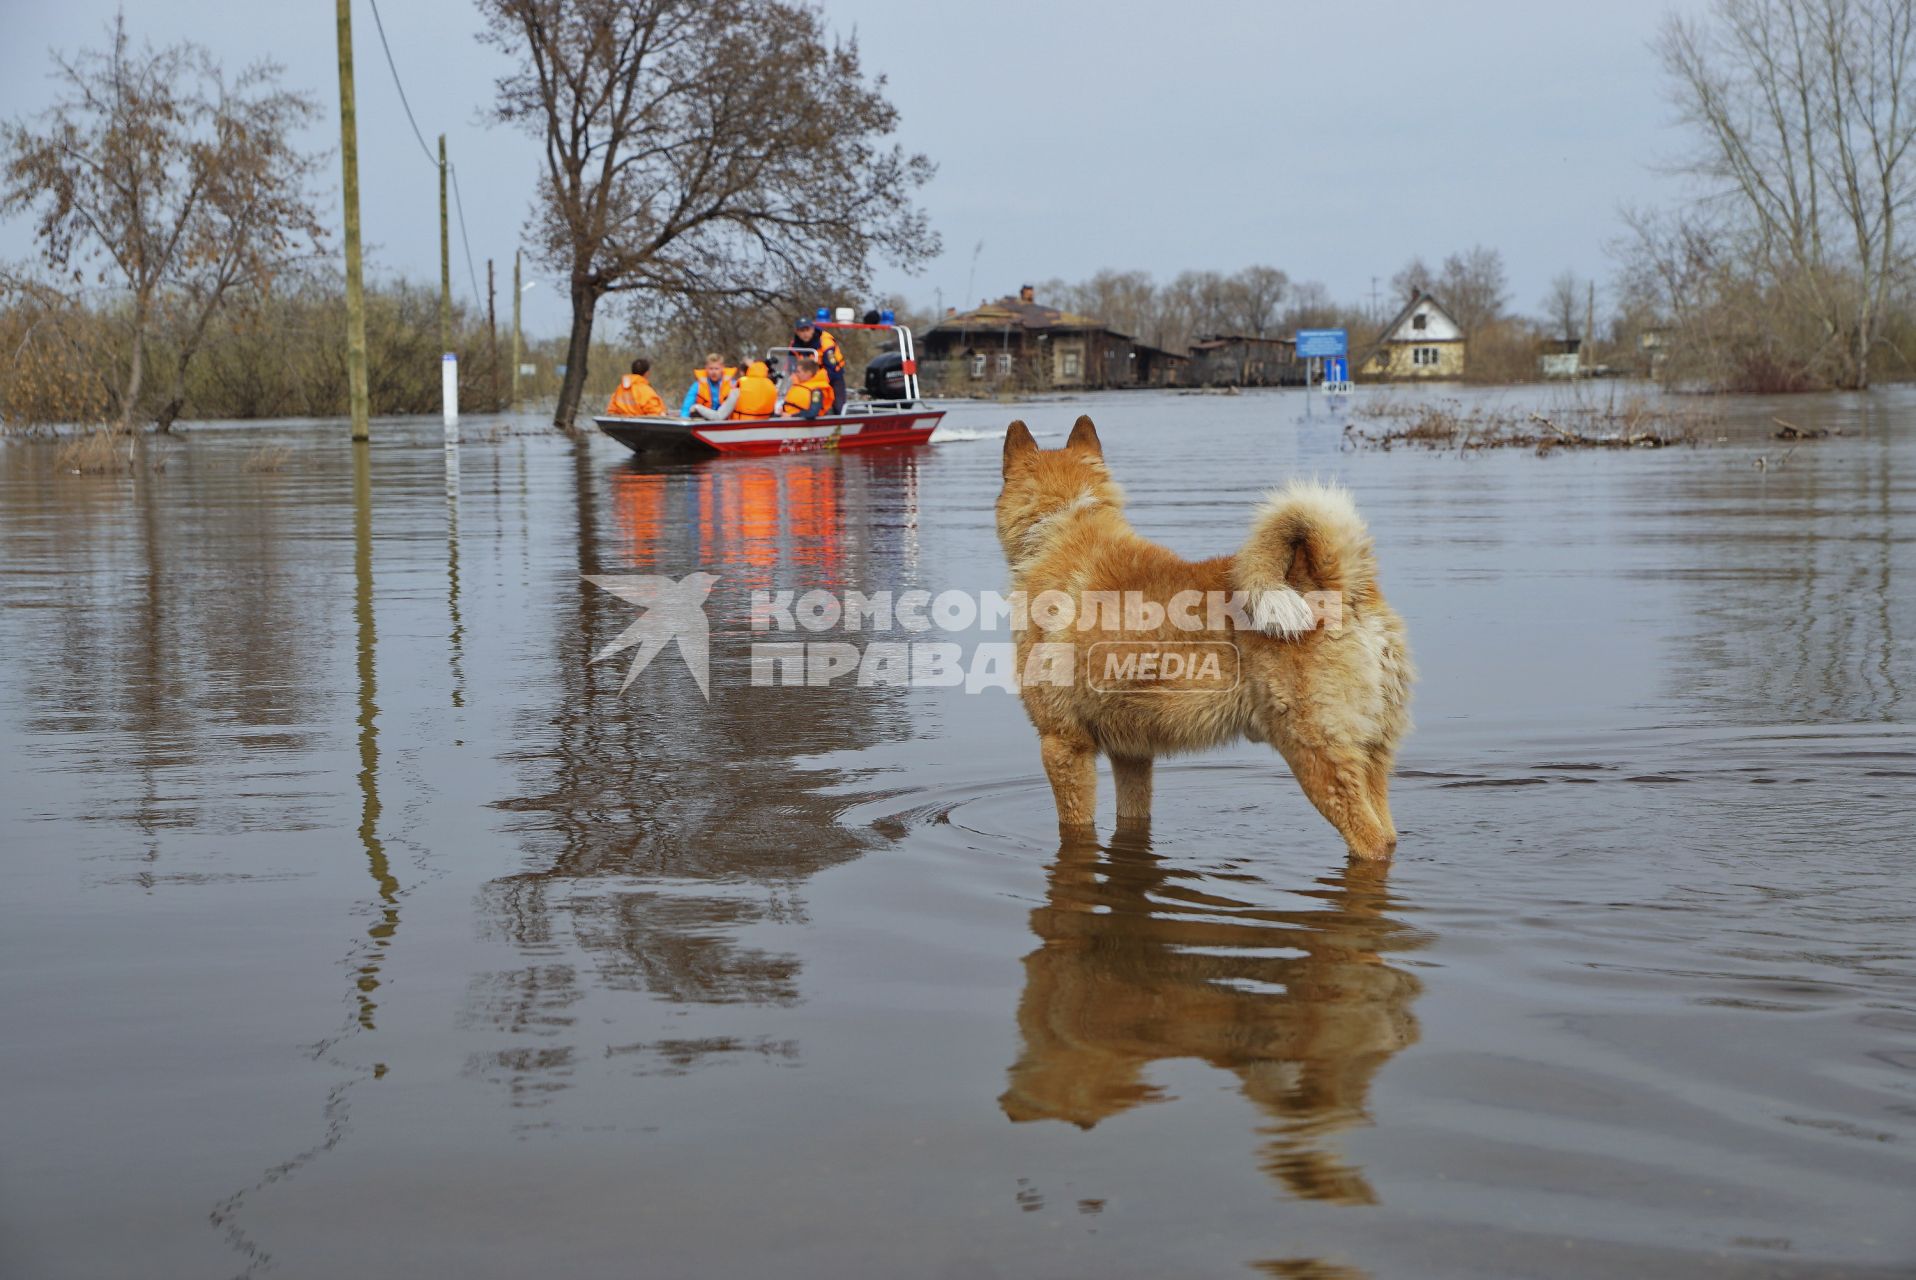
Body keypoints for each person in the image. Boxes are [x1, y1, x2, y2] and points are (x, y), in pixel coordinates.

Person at [791, 317, 848, 416]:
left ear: (812, 329)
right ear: (797, 332)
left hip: (833, 376)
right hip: (808, 379)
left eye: (807, 330)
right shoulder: (794, 345)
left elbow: (832, 368)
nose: (805, 333)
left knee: (839, 407)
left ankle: (840, 423)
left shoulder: (826, 342)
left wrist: (816, 381)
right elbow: (790, 365)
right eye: (801, 330)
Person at [679, 352, 739, 420]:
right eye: (711, 368)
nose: (714, 372)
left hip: (726, 420)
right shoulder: (697, 385)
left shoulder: (733, 385)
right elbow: (686, 406)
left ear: (722, 368)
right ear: (706, 368)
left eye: (716, 369)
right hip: (705, 420)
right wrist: (684, 419)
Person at [780, 354, 835, 418]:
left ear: (808, 373)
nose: (796, 374)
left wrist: (791, 416)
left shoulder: (816, 391)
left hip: (799, 422)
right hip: (787, 418)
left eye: (798, 372)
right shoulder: (798, 385)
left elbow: (813, 412)